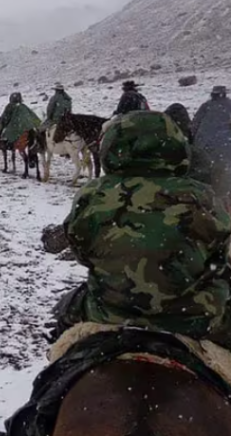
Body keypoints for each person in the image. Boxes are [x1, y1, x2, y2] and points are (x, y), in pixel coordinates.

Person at [52, 111, 231, 349]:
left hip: (109, 311)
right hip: (194, 319)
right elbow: (221, 251)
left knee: (63, 316)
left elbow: (81, 250)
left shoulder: (92, 194)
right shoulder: (202, 196)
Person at [190, 85, 231, 204]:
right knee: (225, 173)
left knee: (208, 174)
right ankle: (224, 200)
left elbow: (194, 126)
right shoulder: (229, 105)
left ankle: (210, 200)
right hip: (227, 146)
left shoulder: (206, 106)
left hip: (204, 146)